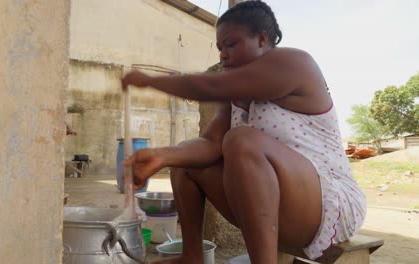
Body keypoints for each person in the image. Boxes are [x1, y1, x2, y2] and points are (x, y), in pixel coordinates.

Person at [121, 1, 366, 263]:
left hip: (330, 205)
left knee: (242, 140)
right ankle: (192, 255)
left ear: (262, 39)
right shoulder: (234, 95)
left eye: (231, 44)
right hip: (277, 206)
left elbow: (212, 88)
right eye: (219, 48)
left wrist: (150, 81)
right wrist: (162, 156)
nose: (223, 55)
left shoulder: (295, 63)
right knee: (186, 160)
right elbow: (210, 144)